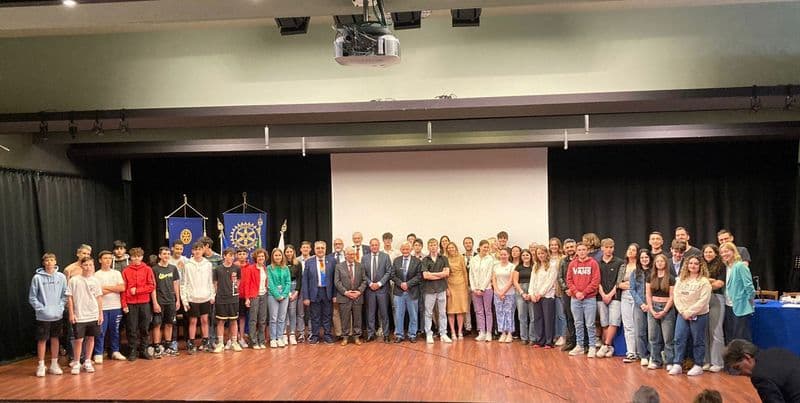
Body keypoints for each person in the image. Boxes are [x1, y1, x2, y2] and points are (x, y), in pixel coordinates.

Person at [670, 255, 712, 376]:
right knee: (679, 338)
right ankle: (677, 363)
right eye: (690, 263)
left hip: (699, 315)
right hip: (682, 314)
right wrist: (683, 311)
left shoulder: (704, 282)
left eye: (696, 264)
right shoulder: (681, 279)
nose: (693, 266)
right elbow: (676, 296)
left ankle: (698, 364)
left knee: (698, 340)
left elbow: (704, 300)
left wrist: (690, 312)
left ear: (700, 266)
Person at [724, 339, 800, 403]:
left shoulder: (759, 376)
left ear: (747, 357)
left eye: (738, 368)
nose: (739, 373)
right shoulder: (777, 351)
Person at [29, 252, 67, 377]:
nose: (49, 262)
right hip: (43, 316)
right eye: (47, 260)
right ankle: (41, 365)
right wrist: (42, 309)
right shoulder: (37, 278)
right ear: (43, 263)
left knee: (55, 339)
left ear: (55, 262)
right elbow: (32, 297)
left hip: (57, 315)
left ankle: (54, 364)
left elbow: (65, 295)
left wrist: (60, 308)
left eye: (51, 260)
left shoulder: (61, 277)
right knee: (42, 340)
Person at [66, 256, 103, 375]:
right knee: (79, 340)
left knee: (91, 338)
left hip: (93, 314)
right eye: (86, 265)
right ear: (81, 266)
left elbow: (99, 298)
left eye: (90, 265)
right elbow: (70, 298)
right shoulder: (74, 280)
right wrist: (71, 313)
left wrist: (100, 314)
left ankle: (87, 361)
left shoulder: (96, 281)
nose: (88, 267)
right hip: (79, 315)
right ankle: (77, 362)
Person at [567, 242, 600, 357]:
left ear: (587, 251)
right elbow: (569, 280)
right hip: (575, 299)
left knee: (590, 324)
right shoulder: (572, 264)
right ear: (576, 251)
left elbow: (595, 281)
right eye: (579, 250)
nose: (581, 252)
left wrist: (584, 293)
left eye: (583, 249)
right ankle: (579, 346)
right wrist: (576, 292)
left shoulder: (593, 263)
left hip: (589, 298)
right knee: (578, 323)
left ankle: (592, 346)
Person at [121, 247, 155, 361]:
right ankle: (132, 350)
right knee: (131, 328)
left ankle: (144, 350)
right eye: (134, 256)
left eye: (138, 256)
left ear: (142, 257)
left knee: (144, 327)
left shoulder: (147, 269)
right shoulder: (126, 271)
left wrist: (138, 291)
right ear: (130, 257)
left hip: (144, 303)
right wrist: (124, 304)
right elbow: (123, 289)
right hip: (130, 304)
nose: (136, 258)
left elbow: (151, 286)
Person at [93, 250, 126, 363]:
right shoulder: (96, 275)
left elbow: (122, 288)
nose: (108, 260)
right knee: (101, 331)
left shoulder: (116, 273)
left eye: (110, 258)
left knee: (115, 331)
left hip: (116, 306)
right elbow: (98, 292)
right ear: (100, 260)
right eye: (105, 258)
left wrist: (105, 287)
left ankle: (115, 351)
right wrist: (113, 288)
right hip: (102, 307)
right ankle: (98, 352)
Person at [181, 242, 214, 354]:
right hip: (192, 298)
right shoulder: (187, 265)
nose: (197, 251)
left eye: (199, 249)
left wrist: (212, 295)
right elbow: (183, 283)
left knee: (205, 320)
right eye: (195, 249)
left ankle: (206, 342)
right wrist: (185, 300)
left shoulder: (208, 264)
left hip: (205, 297)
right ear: (192, 251)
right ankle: (191, 343)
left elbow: (210, 281)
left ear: (203, 250)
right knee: (193, 321)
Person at [302, 241, 336, 344]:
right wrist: (306, 297)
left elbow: (335, 279)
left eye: (322, 248)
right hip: (314, 292)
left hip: (327, 292)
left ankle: (327, 335)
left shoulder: (332, 261)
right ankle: (315, 336)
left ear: (325, 249)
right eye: (318, 248)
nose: (320, 250)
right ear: (314, 249)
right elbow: (305, 280)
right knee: (315, 316)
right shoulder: (309, 262)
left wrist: (335, 295)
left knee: (327, 315)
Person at [149, 247, 181, 358]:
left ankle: (168, 346)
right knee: (157, 324)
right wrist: (155, 302)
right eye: (164, 254)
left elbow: (176, 284)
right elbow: (152, 287)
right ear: (160, 255)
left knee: (169, 323)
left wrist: (177, 300)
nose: (166, 256)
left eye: (168, 254)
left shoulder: (173, 268)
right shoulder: (154, 269)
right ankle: (157, 347)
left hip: (170, 301)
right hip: (159, 301)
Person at [646, 253, 676, 370]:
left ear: (665, 263)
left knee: (668, 338)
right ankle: (655, 360)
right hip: (653, 307)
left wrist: (664, 310)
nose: (659, 263)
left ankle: (669, 362)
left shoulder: (671, 278)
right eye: (657, 261)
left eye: (662, 261)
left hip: (667, 309)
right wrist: (651, 309)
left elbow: (672, 297)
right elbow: (648, 295)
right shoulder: (650, 277)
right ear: (655, 263)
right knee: (653, 337)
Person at [720, 242, 755, 343]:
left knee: (741, 336)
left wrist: (749, 302)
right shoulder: (726, 267)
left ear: (733, 251)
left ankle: (747, 353)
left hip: (740, 306)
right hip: (728, 305)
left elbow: (749, 286)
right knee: (731, 335)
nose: (724, 254)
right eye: (722, 252)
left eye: (726, 251)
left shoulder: (740, 266)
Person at [596, 238, 625, 358]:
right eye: (606, 247)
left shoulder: (620, 262)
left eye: (611, 247)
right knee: (604, 323)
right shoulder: (597, 263)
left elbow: (619, 281)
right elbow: (597, 281)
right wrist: (603, 294)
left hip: (615, 297)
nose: (609, 249)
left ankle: (606, 344)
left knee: (614, 321)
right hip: (601, 297)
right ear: (602, 248)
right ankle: (610, 347)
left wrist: (610, 295)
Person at [391, 242, 423, 343]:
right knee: (398, 315)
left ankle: (412, 334)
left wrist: (407, 284)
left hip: (412, 291)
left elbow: (419, 276)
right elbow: (392, 275)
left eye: (407, 249)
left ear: (410, 249)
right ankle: (399, 335)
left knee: (413, 315)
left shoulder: (417, 261)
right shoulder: (396, 260)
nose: (405, 251)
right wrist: (401, 284)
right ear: (401, 250)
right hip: (399, 292)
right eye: (403, 249)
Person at [335, 247, 367, 346]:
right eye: (349, 254)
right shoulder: (339, 266)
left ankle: (357, 337)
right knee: (345, 318)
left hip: (357, 297)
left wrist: (359, 292)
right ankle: (345, 337)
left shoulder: (360, 266)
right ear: (345, 255)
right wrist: (346, 292)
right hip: (344, 297)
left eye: (353, 254)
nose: (351, 256)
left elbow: (364, 280)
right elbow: (337, 282)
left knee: (357, 318)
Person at [212, 248, 242, 353]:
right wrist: (218, 294)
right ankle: (220, 343)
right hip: (221, 298)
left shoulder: (237, 268)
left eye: (233, 255)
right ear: (224, 256)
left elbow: (238, 280)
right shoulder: (218, 269)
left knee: (234, 320)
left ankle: (234, 342)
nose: (231, 257)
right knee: (221, 321)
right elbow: (215, 283)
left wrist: (234, 289)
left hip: (233, 298)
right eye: (229, 255)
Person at [702, 244, 726, 373]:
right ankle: (707, 360)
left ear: (716, 253)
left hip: (717, 298)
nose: (708, 254)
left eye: (710, 252)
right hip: (702, 300)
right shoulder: (701, 265)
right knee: (704, 332)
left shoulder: (721, 266)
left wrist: (703, 283)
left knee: (716, 331)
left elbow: (719, 283)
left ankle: (718, 362)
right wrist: (710, 280)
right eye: (706, 252)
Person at [422, 238, 451, 344]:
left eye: (434, 245)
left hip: (441, 289)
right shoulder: (425, 260)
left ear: (437, 246)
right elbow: (425, 276)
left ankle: (443, 333)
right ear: (428, 247)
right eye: (431, 245)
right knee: (428, 313)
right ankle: (429, 334)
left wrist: (432, 274)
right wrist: (440, 274)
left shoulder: (443, 258)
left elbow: (446, 273)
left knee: (442, 312)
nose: (433, 247)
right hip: (429, 290)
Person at [363, 238, 392, 343]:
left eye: (376, 245)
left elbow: (389, 272)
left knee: (384, 313)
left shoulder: (385, 256)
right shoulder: (364, 258)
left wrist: (379, 283)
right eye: (372, 245)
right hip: (370, 289)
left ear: (379, 245)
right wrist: (370, 284)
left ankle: (386, 334)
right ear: (370, 246)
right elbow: (363, 273)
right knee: (370, 313)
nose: (374, 247)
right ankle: (371, 334)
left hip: (382, 289)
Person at [529, 245, 558, 348]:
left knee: (548, 319)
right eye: (539, 254)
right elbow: (532, 281)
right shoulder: (535, 266)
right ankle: (539, 340)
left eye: (542, 253)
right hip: (536, 296)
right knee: (538, 318)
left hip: (547, 296)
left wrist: (540, 293)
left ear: (546, 254)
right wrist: (531, 293)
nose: (541, 255)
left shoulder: (552, 266)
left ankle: (549, 341)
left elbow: (550, 282)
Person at [241, 248, 268, 349]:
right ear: (255, 258)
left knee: (262, 319)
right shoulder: (250, 268)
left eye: (262, 256)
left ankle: (261, 341)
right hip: (254, 296)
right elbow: (247, 284)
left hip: (264, 295)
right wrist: (247, 298)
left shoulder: (265, 268)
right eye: (259, 256)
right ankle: (253, 341)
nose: (261, 258)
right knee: (253, 319)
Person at [630, 249, 652, 366]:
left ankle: (653, 355)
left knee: (652, 332)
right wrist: (641, 304)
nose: (644, 259)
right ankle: (643, 355)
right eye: (642, 257)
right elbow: (632, 290)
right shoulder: (634, 273)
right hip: (639, 306)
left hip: (652, 305)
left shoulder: (654, 272)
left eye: (646, 257)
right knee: (640, 331)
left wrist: (649, 304)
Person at [470, 240, 495, 342]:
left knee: (488, 311)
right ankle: (482, 332)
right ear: (479, 247)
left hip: (487, 289)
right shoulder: (473, 259)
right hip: (475, 290)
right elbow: (471, 274)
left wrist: (482, 288)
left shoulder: (490, 259)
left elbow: (489, 274)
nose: (486, 249)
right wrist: (474, 288)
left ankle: (489, 332)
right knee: (478, 311)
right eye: (484, 247)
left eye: (487, 247)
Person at [619, 243, 640, 363]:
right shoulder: (623, 266)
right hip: (625, 295)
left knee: (638, 324)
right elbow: (618, 283)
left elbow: (642, 283)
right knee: (628, 325)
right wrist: (621, 285)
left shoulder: (640, 266)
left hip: (637, 295)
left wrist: (631, 286)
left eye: (633, 250)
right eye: (629, 249)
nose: (631, 251)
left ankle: (640, 352)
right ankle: (631, 352)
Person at [267, 248, 291, 348]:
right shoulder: (269, 268)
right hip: (273, 295)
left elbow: (288, 282)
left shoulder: (286, 268)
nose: (278, 257)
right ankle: (273, 338)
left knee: (282, 318)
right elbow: (270, 283)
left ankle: (280, 337)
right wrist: (277, 295)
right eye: (276, 255)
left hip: (284, 295)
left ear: (282, 256)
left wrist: (284, 294)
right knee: (273, 318)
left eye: (279, 255)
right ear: (273, 257)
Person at [492, 248, 517, 343]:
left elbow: (511, 281)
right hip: (497, 294)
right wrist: (498, 292)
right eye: (501, 254)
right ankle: (502, 333)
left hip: (509, 293)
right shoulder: (496, 266)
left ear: (508, 255)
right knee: (499, 313)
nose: (503, 256)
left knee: (509, 313)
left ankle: (510, 333)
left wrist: (503, 292)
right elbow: (494, 280)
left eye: (505, 254)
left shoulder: (512, 266)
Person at [445, 242, 469, 340]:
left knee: (460, 310)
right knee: (450, 310)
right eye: (449, 248)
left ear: (456, 248)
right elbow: (444, 275)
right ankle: (453, 332)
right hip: (450, 285)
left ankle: (459, 331)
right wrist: (446, 288)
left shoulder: (461, 257)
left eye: (452, 247)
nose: (451, 249)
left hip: (461, 286)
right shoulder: (445, 259)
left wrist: (466, 286)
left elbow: (464, 272)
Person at [558, 239, 577, 352]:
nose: (570, 249)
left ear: (575, 247)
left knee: (579, 318)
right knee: (569, 317)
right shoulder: (563, 261)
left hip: (579, 293)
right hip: (567, 293)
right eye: (568, 247)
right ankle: (571, 342)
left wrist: (575, 290)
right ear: (565, 249)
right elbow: (560, 277)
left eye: (572, 247)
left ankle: (582, 342)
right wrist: (566, 289)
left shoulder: (580, 259)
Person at [513, 248, 535, 345]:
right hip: (520, 292)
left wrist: (530, 293)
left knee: (533, 316)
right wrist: (522, 293)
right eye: (523, 255)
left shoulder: (534, 267)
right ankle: (524, 337)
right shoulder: (518, 267)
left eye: (527, 255)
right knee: (522, 316)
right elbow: (515, 281)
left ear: (530, 256)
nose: (525, 257)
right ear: (521, 257)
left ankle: (532, 338)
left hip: (532, 291)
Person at [549, 237, 567, 346]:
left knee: (561, 314)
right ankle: (556, 334)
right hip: (548, 289)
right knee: (553, 314)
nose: (553, 247)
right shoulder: (548, 258)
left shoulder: (563, 258)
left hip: (559, 288)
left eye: (555, 245)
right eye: (551, 245)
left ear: (559, 246)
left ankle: (563, 336)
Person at [285, 245, 304, 344]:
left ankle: (292, 334)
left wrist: (296, 291)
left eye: (290, 251)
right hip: (284, 289)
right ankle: (284, 334)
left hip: (294, 288)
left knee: (292, 312)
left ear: (293, 252)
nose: (289, 253)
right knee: (283, 312)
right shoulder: (282, 263)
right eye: (287, 252)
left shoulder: (298, 263)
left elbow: (300, 278)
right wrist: (286, 292)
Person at [329, 238, 346, 342]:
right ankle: (339, 333)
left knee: (347, 312)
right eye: (335, 244)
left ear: (343, 245)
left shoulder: (348, 255)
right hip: (334, 288)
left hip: (347, 289)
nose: (337, 245)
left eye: (339, 243)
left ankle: (348, 333)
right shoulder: (329, 257)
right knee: (336, 313)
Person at [233, 248, 250, 348]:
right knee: (233, 318)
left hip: (245, 296)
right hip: (235, 296)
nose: (242, 256)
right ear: (236, 255)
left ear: (247, 255)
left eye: (244, 254)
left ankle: (241, 338)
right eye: (240, 254)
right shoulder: (233, 266)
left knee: (242, 317)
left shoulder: (250, 267)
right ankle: (233, 338)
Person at [462, 236, 477, 335]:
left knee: (477, 308)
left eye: (469, 243)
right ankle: (468, 327)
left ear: (472, 244)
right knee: (466, 308)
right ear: (464, 245)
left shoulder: (477, 256)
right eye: (466, 243)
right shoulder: (461, 257)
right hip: (465, 286)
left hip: (476, 285)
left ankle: (479, 328)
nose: (468, 244)